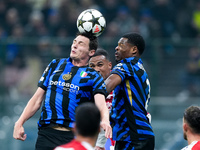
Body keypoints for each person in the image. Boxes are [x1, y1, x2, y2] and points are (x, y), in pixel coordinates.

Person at [13, 32, 112, 150]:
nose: (74, 45)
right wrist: (19, 122)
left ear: (91, 52)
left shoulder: (93, 76)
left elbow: (100, 103)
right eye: (74, 42)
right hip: (46, 134)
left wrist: (105, 119)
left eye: (80, 44)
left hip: (72, 137)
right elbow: (37, 98)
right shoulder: (55, 64)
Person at [105, 32, 155, 150]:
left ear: (134, 50)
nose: (116, 47)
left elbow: (105, 88)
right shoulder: (140, 69)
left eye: (121, 44)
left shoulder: (126, 66)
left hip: (133, 137)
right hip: (137, 135)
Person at [89, 49, 114, 150]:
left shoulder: (119, 83)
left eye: (100, 65)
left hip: (118, 136)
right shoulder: (85, 84)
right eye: (92, 66)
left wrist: (100, 144)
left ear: (109, 65)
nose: (96, 70)